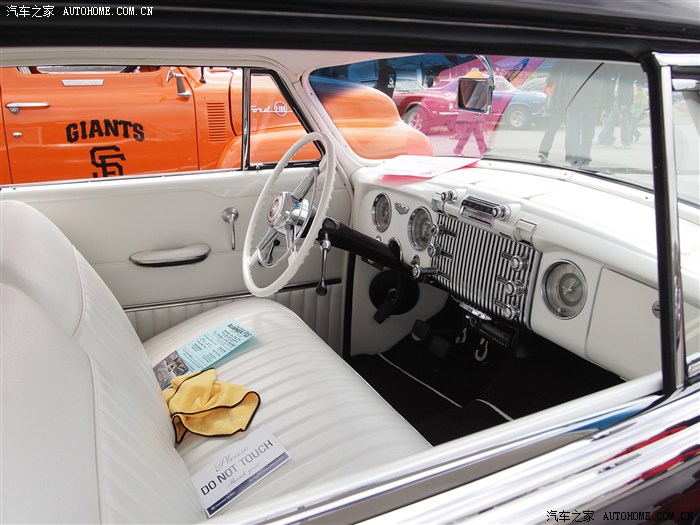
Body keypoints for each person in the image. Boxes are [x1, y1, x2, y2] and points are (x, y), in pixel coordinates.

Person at [453, 68, 489, 157]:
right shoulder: (476, 86)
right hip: (471, 114)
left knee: (476, 133)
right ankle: (458, 150)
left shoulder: (463, 84)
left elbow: (458, 100)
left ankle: (483, 151)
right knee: (470, 133)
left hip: (467, 114)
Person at [538, 60, 566, 162]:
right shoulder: (575, 64)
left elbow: (549, 81)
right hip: (569, 103)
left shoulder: (559, 64)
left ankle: (543, 151)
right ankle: (572, 155)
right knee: (573, 130)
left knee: (552, 127)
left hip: (558, 103)